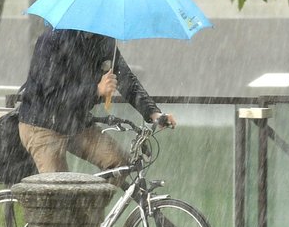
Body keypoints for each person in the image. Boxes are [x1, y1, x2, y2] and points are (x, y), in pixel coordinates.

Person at [18, 28, 176, 180]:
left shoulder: (103, 39)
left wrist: (154, 113)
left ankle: (91, 208)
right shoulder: (52, 39)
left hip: (74, 121)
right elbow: (50, 93)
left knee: (118, 164)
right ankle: (65, 206)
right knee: (59, 191)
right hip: (42, 124)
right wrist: (95, 89)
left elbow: (126, 79)